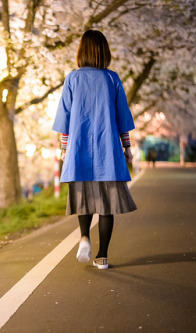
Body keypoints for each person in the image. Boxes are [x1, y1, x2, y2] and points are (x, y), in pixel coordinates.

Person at [52, 30, 137, 269]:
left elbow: (65, 119)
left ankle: (84, 238)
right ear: (104, 52)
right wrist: (127, 147)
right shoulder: (112, 79)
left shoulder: (73, 79)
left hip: (79, 151)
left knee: (83, 200)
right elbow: (122, 117)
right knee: (106, 206)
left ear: (82, 51)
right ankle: (102, 256)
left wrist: (64, 149)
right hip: (107, 152)